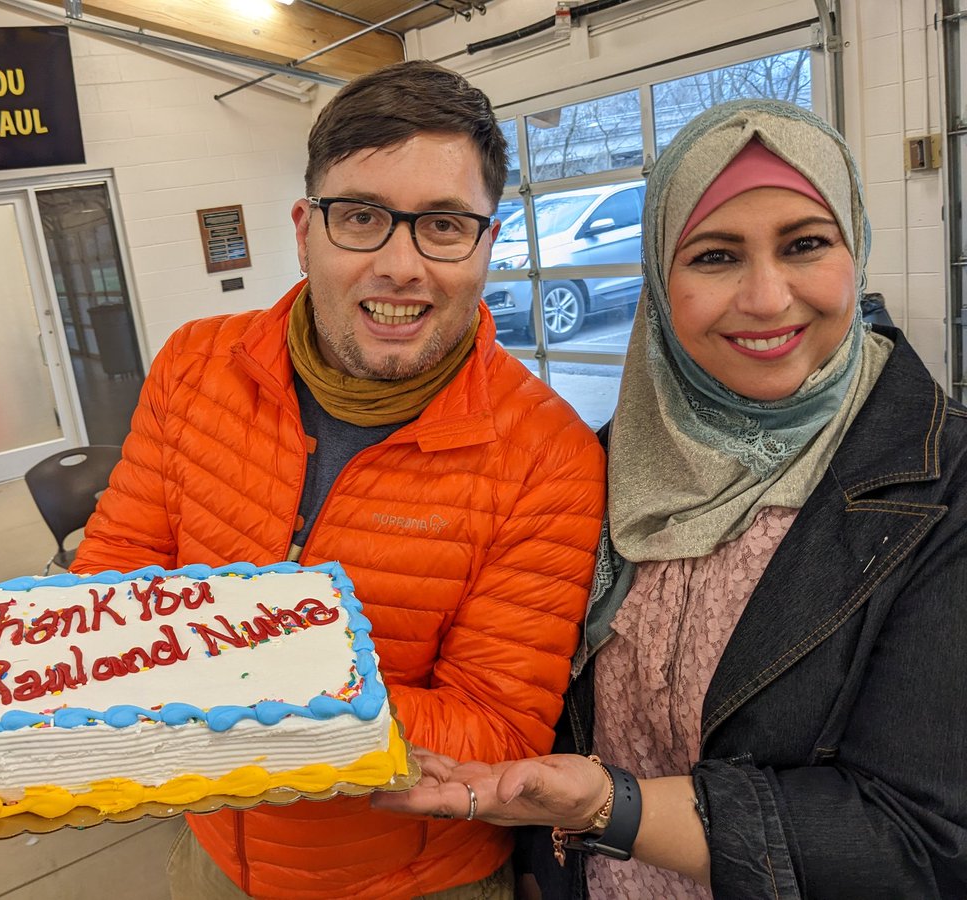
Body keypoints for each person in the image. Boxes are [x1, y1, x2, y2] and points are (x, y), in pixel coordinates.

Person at [373, 98, 967, 898]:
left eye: (806, 245)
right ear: (658, 277)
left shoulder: (942, 487)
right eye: (716, 256)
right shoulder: (608, 464)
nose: (765, 298)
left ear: (855, 249)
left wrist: (609, 807)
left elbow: (917, 840)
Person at [71, 59, 606, 899]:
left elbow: (494, 729)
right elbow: (106, 584)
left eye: (442, 225)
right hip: (212, 851)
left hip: (414, 877)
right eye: (361, 216)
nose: (401, 265)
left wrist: (238, 684)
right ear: (304, 228)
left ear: (486, 244)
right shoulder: (192, 368)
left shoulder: (548, 457)